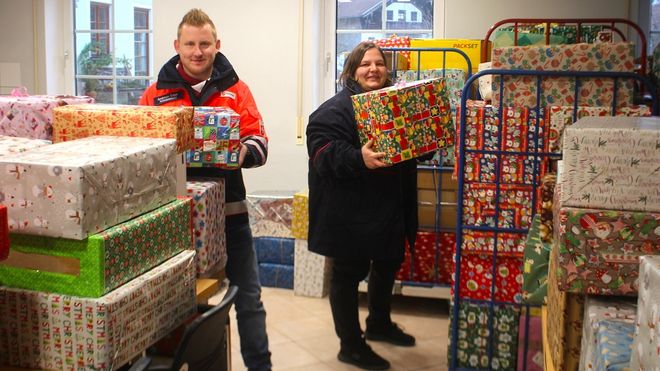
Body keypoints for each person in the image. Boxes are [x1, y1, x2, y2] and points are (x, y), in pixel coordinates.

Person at [139, 8, 271, 371]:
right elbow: (139, 145)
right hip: (175, 222)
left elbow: (259, 140)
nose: (198, 52)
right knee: (176, 302)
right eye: (190, 44)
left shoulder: (236, 90)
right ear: (177, 45)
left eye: (205, 44)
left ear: (217, 45)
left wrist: (239, 151)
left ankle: (261, 367)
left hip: (231, 215)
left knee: (248, 299)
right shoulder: (155, 94)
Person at [306, 41, 418, 370]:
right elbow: (322, 154)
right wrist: (360, 158)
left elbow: (409, 144)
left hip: (388, 208)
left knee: (387, 262)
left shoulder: (396, 104)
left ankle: (379, 325)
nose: (373, 69)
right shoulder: (333, 111)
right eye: (365, 64)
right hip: (349, 213)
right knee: (347, 274)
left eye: (379, 64)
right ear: (352, 70)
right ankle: (351, 346)